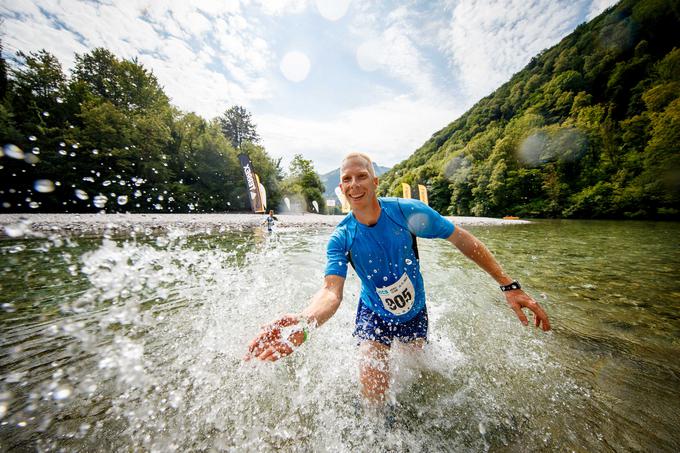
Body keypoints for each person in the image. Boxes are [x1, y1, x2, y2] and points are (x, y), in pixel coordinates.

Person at [245, 152, 551, 404]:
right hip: (373, 314)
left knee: (419, 377)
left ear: (375, 181)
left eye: (361, 176)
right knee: (372, 389)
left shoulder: (408, 213)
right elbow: (330, 293)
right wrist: (305, 321)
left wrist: (508, 285)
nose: (354, 184)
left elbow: (460, 239)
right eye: (347, 179)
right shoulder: (341, 238)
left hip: (415, 311)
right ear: (341, 188)